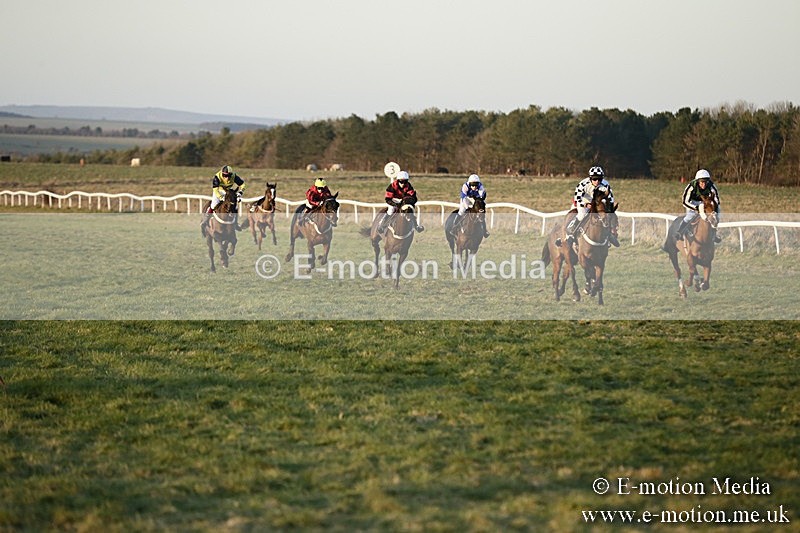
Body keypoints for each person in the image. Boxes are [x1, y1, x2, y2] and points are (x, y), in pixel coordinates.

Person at [564, 166, 619, 247]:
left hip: (598, 202)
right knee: (582, 214)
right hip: (585, 201)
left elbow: (610, 199)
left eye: (599, 179)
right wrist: (585, 205)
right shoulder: (583, 184)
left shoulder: (606, 185)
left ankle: (610, 235)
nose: (597, 181)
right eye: (594, 179)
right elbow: (577, 199)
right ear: (590, 178)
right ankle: (571, 233)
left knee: (607, 216)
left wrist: (609, 209)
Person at [676, 169, 722, 243]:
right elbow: (685, 201)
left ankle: (714, 234)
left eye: (705, 182)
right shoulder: (691, 186)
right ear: (698, 181)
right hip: (692, 203)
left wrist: (714, 210)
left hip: (706, 202)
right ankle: (680, 232)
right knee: (690, 216)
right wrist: (696, 208)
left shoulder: (711, 185)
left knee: (717, 213)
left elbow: (716, 200)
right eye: (702, 182)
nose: (704, 184)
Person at [377, 170, 424, 235]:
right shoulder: (392, 186)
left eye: (405, 181)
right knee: (391, 210)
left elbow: (413, 197)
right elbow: (388, 199)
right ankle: (381, 225)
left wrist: (409, 201)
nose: (403, 184)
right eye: (401, 181)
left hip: (403, 200)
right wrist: (395, 204)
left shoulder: (409, 186)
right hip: (393, 200)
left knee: (410, 210)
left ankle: (416, 226)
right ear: (398, 180)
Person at [201, 165, 246, 231]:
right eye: (224, 176)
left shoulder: (234, 176)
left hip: (228, 192)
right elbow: (215, 190)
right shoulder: (217, 177)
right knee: (213, 205)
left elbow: (242, 184)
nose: (226, 178)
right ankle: (206, 220)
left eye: (228, 176)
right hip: (219, 191)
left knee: (235, 206)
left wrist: (240, 192)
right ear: (222, 174)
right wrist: (220, 197)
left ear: (231, 174)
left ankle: (235, 223)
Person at [450, 173, 489, 238]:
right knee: (461, 211)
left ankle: (485, 230)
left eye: (476, 185)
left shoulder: (481, 186)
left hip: (476, 199)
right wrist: (467, 207)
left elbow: (482, 197)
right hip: (466, 198)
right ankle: (454, 228)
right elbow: (464, 199)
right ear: (469, 183)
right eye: (472, 185)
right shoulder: (465, 187)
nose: (474, 187)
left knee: (481, 212)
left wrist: (481, 206)